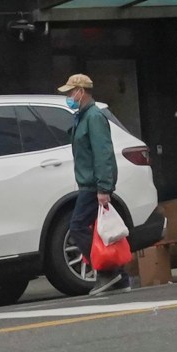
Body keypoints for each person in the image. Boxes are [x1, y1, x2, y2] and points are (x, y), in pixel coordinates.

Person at [60, 73, 124, 297]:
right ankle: (120, 277)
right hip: (90, 183)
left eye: (71, 92)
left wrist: (103, 188)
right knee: (102, 231)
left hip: (93, 185)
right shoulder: (83, 116)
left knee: (77, 226)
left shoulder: (93, 117)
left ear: (81, 91)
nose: (69, 96)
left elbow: (103, 153)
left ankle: (108, 272)